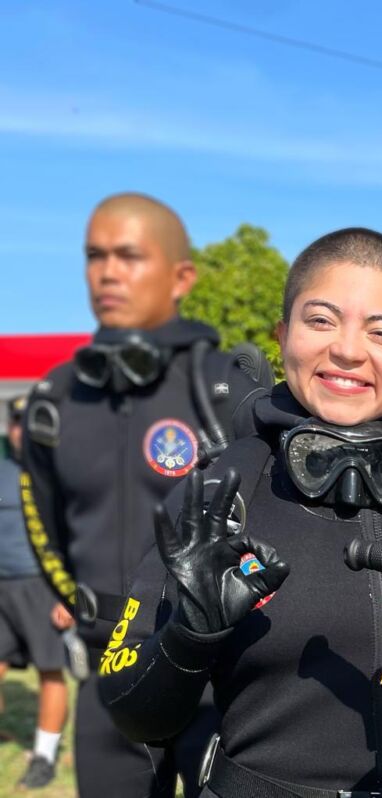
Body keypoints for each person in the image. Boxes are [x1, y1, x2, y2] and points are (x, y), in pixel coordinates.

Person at [98, 227, 382, 798]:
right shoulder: (219, 493)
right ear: (282, 336)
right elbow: (130, 712)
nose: (347, 350)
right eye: (321, 320)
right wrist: (188, 638)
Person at [19, 192, 268, 797]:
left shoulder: (228, 381)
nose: (107, 272)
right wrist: (85, 605)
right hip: (108, 666)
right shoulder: (56, 394)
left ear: (181, 276)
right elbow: (41, 520)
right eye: (95, 256)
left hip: (212, 661)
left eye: (129, 256)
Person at [0, 396, 68, 789]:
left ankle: (43, 757)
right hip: (1, 587)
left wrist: (68, 594)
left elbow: (76, 537)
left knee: (49, 671)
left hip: (41, 587)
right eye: (14, 423)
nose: (19, 431)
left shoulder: (56, 474)